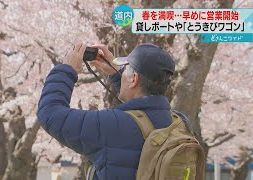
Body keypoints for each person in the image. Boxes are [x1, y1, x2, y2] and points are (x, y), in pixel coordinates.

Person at [37, 43, 191, 179]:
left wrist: (66, 70)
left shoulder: (112, 125)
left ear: (134, 79)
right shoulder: (180, 123)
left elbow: (50, 113)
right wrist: (116, 73)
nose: (122, 73)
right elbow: (141, 114)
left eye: (126, 70)